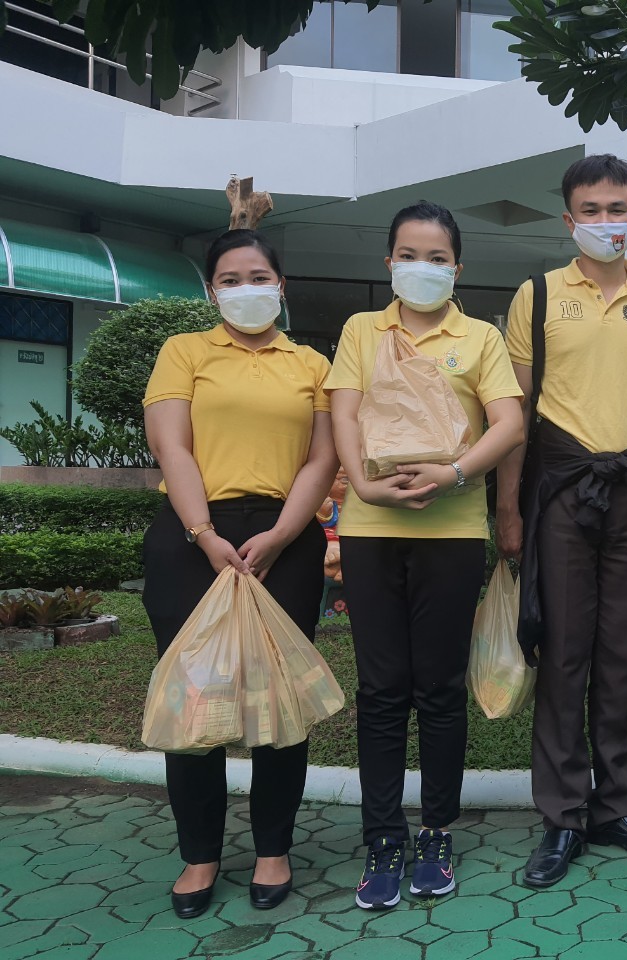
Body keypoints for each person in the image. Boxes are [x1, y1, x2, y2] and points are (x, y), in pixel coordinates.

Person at [326, 202, 525, 910]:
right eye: (409, 255)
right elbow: (343, 410)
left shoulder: (480, 338)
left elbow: (510, 422)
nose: (423, 267)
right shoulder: (362, 330)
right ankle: (383, 837)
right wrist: (363, 485)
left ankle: (437, 831)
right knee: (382, 690)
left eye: (437, 258)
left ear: (457, 268)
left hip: (451, 534)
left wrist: (456, 474)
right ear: (388, 262)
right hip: (370, 531)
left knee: (439, 689)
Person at [495, 154, 627, 888]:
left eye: (618, 209)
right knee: (564, 653)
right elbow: (515, 413)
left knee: (620, 657)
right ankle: (563, 815)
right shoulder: (538, 295)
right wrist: (509, 508)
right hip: (560, 488)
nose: (606, 222)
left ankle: (615, 809)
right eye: (591, 210)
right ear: (568, 219)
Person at [142, 229, 337, 918]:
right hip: (192, 536)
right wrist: (204, 533)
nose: (245, 289)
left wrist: (283, 533)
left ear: (281, 286)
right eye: (230, 279)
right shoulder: (184, 352)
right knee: (194, 698)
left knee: (278, 700)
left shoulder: (312, 363)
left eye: (259, 276)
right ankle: (200, 854)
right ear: (211, 290)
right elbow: (171, 445)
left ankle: (273, 848)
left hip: (285, 538)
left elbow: (322, 458)